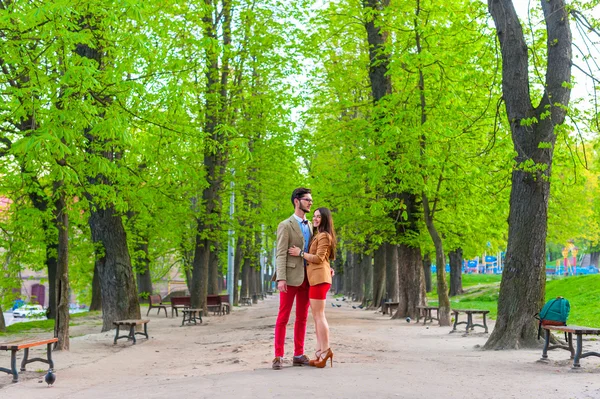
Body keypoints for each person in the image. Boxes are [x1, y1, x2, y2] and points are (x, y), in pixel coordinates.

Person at [288, 207, 336, 368]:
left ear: (325, 219)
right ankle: (319, 351)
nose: (314, 219)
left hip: (319, 280)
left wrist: (300, 253)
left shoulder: (324, 236)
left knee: (320, 316)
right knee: (316, 317)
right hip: (317, 278)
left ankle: (326, 350)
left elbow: (318, 258)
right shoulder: (319, 235)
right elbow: (325, 260)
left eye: (318, 217)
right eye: (314, 216)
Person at [272, 187, 314, 370]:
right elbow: (281, 253)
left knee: (302, 317)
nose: (310, 202)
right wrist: (281, 278)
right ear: (297, 201)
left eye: (311, 200)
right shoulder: (285, 225)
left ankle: (298, 354)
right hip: (289, 278)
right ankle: (278, 356)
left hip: (307, 278)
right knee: (283, 317)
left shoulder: (312, 224)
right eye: (307, 200)